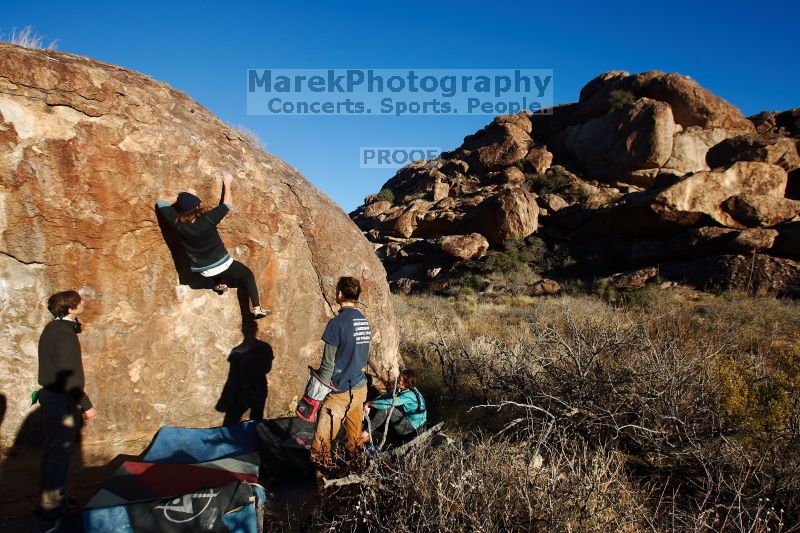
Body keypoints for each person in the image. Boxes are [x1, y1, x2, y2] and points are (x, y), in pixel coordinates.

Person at [156, 172, 270, 319]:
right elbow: (227, 205)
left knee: (215, 271)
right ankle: (257, 309)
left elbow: (161, 203)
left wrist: (182, 197)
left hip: (202, 270)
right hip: (223, 265)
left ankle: (219, 284)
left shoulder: (177, 223)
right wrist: (227, 183)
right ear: (197, 207)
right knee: (247, 275)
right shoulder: (207, 220)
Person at [36, 290, 98, 519]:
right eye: (78, 302)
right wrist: (86, 404)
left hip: (52, 398)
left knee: (53, 452)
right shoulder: (65, 336)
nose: (82, 303)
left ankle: (51, 500)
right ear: (70, 309)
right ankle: (53, 508)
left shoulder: (53, 329)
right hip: (62, 400)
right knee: (59, 454)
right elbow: (71, 378)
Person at [310, 277, 371, 474]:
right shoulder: (364, 321)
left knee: (321, 445)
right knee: (354, 442)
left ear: (339, 294)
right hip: (360, 389)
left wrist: (314, 396)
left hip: (340, 392)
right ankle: (357, 484)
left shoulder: (336, 324)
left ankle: (324, 489)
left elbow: (327, 365)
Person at [367, 369, 427, 442]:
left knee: (387, 408)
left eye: (400, 379)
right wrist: (371, 403)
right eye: (399, 377)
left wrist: (370, 404)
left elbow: (389, 403)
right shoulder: (403, 389)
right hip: (407, 420)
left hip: (411, 428)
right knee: (380, 404)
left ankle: (367, 432)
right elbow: (386, 397)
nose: (398, 379)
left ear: (406, 383)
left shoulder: (409, 395)